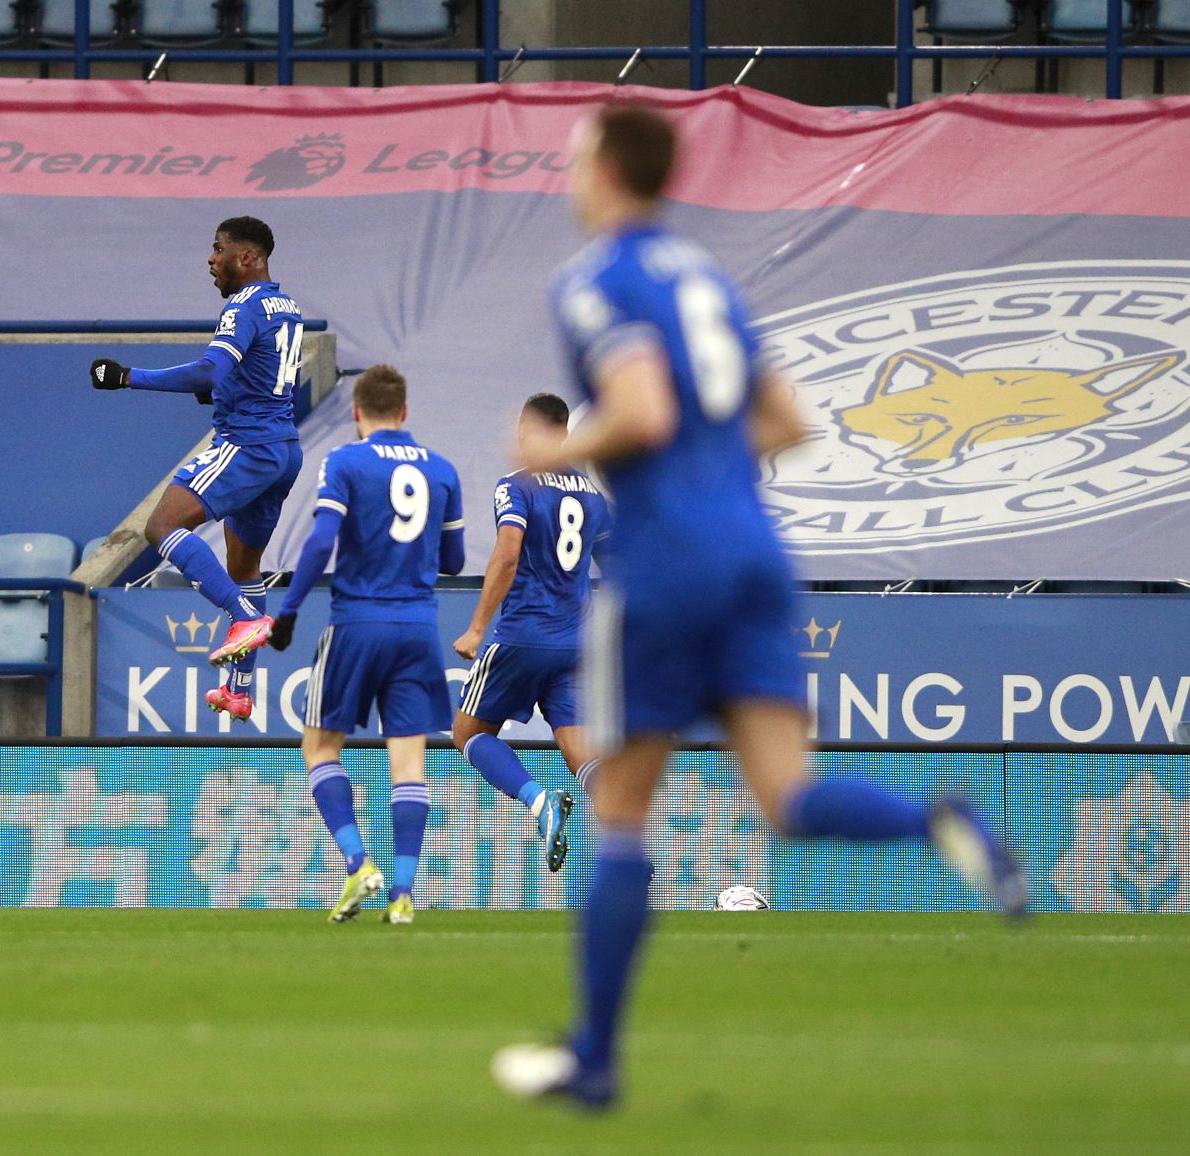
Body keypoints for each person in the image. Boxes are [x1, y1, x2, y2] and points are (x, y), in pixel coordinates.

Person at [491, 104, 1028, 1109]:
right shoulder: (707, 280)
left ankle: (595, 1059)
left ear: (605, 171)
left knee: (617, 809)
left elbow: (642, 410)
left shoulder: (598, 279)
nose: (567, 175)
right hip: (753, 552)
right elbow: (786, 419)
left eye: (573, 159)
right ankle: (934, 822)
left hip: (665, 566)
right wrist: (706, 473)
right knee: (786, 794)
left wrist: (551, 450)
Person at [269, 365, 464, 926]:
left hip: (357, 623)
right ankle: (402, 896)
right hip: (418, 630)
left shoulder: (346, 462)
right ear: (405, 412)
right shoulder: (443, 470)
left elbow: (322, 541)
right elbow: (452, 561)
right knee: (410, 765)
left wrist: (287, 612)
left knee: (320, 746)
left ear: (356, 413)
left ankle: (358, 862)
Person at [90, 216, 306, 722]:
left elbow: (211, 369)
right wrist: (220, 390)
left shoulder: (245, 304)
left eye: (218, 250)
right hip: (282, 450)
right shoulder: (287, 306)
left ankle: (242, 614)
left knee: (161, 525)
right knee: (245, 568)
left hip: (247, 445)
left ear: (247, 258)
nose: (210, 260)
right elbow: (254, 374)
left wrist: (127, 377)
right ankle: (240, 688)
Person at [451, 392, 610, 874]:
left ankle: (539, 802)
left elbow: (507, 552)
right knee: (580, 749)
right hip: (576, 643)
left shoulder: (515, 485)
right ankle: (625, 841)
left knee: (467, 732)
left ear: (525, 432)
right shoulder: (592, 495)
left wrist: (478, 626)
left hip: (523, 634)